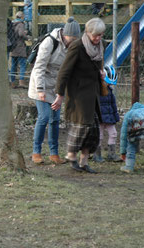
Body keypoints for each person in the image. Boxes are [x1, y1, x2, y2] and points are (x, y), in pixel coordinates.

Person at [52, 17, 106, 174]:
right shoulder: (77, 46)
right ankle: (71, 157)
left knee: (93, 129)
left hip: (93, 93)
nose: (98, 38)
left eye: (101, 35)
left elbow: (98, 65)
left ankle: (84, 161)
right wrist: (60, 94)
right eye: (96, 35)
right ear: (88, 32)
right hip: (78, 94)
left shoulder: (100, 46)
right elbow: (64, 71)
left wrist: (101, 74)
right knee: (81, 127)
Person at [28, 17, 81, 165]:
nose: (74, 40)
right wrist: (40, 90)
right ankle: (36, 151)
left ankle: (54, 153)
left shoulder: (73, 46)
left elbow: (68, 72)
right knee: (44, 117)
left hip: (57, 86)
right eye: (72, 38)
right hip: (41, 82)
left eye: (76, 38)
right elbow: (39, 67)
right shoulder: (49, 43)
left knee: (55, 120)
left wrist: (61, 93)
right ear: (65, 34)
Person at [93, 65, 122, 162]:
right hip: (100, 118)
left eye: (110, 84)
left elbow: (113, 105)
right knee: (99, 136)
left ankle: (111, 154)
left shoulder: (110, 92)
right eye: (107, 83)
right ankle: (97, 155)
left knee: (113, 134)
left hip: (109, 118)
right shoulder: (96, 91)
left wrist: (115, 117)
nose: (109, 86)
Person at [9, 12, 30, 88]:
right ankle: (21, 82)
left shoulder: (12, 24)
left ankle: (13, 82)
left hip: (13, 47)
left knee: (13, 65)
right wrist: (27, 36)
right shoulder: (20, 24)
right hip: (20, 47)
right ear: (21, 17)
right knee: (23, 65)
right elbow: (21, 34)